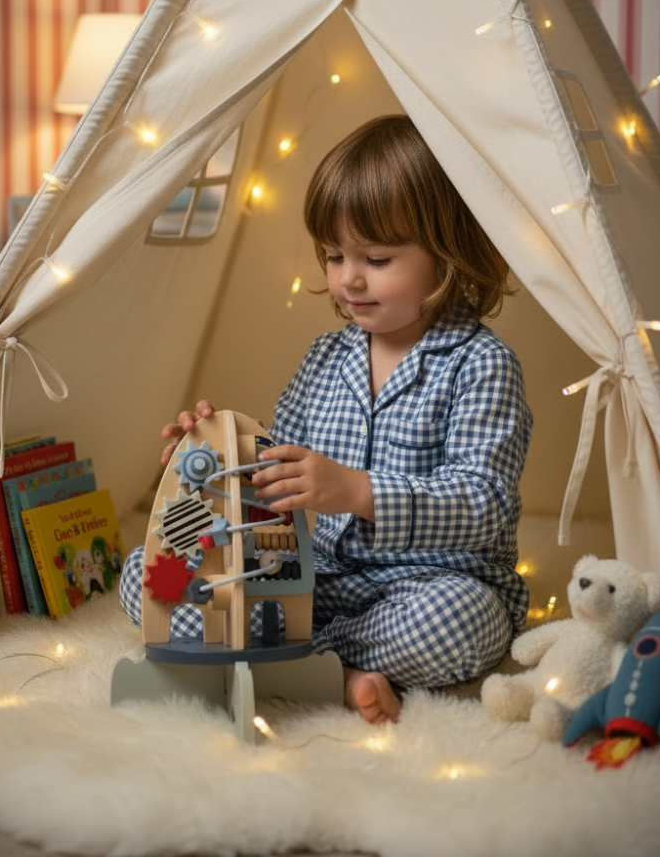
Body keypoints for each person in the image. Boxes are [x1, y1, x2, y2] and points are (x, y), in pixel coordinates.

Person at [121, 114, 533, 725]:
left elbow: (484, 502)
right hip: (316, 578)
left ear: (450, 253)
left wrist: (356, 490)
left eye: (377, 257)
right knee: (144, 575)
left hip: (424, 586)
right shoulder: (325, 357)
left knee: (458, 625)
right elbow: (273, 468)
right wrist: (212, 453)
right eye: (334, 254)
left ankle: (285, 662)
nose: (348, 278)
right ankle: (323, 667)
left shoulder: (482, 365)